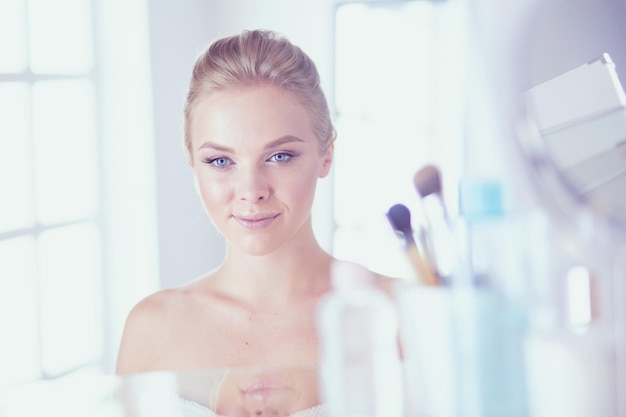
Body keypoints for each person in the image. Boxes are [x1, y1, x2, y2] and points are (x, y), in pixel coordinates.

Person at [115, 29, 397, 378]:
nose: (251, 191)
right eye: (220, 161)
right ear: (192, 162)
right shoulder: (152, 330)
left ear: (326, 156)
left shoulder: (400, 314)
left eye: (280, 156)